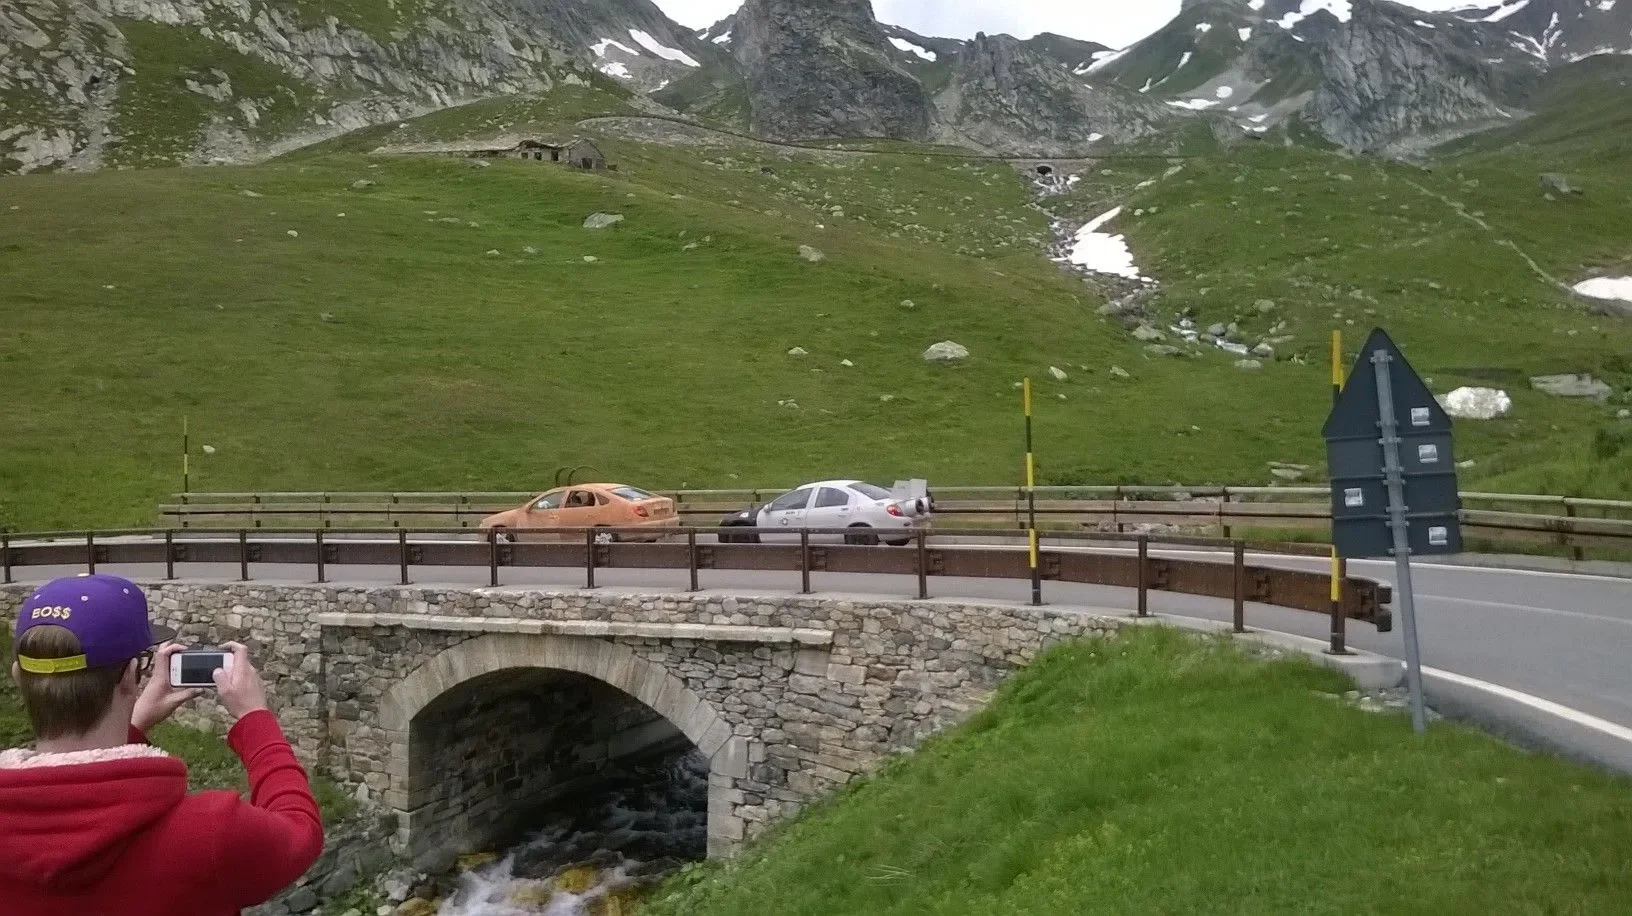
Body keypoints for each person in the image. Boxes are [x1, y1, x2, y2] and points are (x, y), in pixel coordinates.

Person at [0, 574, 324, 915]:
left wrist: (134, 725)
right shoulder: (210, 835)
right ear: (130, 676)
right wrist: (255, 719)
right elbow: (300, 832)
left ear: (19, 677)